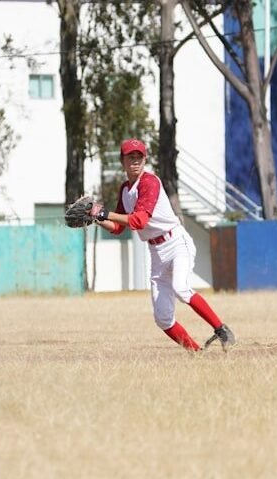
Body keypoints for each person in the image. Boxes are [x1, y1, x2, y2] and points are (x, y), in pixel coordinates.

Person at [89, 138, 236, 352]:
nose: (136, 160)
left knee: (181, 287)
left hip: (176, 242)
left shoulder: (150, 182)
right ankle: (196, 354)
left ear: (145, 159)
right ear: (122, 160)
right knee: (163, 318)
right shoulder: (125, 190)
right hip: (156, 251)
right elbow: (119, 227)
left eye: (139, 156)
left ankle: (222, 330)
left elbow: (139, 221)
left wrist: (104, 212)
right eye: (131, 157)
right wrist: (96, 218)